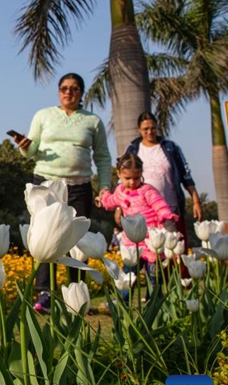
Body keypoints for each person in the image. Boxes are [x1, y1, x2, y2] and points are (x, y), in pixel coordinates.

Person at [13, 72, 112, 313]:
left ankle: (77, 295)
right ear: (59, 91)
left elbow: (102, 157)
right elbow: (33, 149)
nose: (69, 92)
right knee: (46, 238)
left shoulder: (92, 121)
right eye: (65, 88)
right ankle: (45, 294)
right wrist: (25, 147)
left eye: (75, 88)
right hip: (46, 183)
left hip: (80, 186)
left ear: (81, 93)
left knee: (77, 239)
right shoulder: (43, 115)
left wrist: (105, 186)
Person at [119, 112, 202, 260]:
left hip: (170, 210)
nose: (149, 132)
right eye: (145, 129)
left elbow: (185, 175)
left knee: (177, 253)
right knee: (153, 256)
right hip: (144, 214)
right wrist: (120, 207)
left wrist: (195, 200)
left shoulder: (170, 148)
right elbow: (124, 181)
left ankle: (181, 282)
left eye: (153, 128)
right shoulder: (133, 149)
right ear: (138, 129)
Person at [97, 153, 179, 299]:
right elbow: (111, 201)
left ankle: (153, 304)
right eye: (127, 178)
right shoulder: (120, 192)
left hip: (152, 242)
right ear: (119, 174)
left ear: (141, 174)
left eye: (136, 178)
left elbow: (160, 206)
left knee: (154, 278)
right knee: (128, 276)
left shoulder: (147, 191)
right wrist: (103, 199)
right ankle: (123, 303)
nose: (132, 182)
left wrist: (167, 220)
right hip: (131, 244)